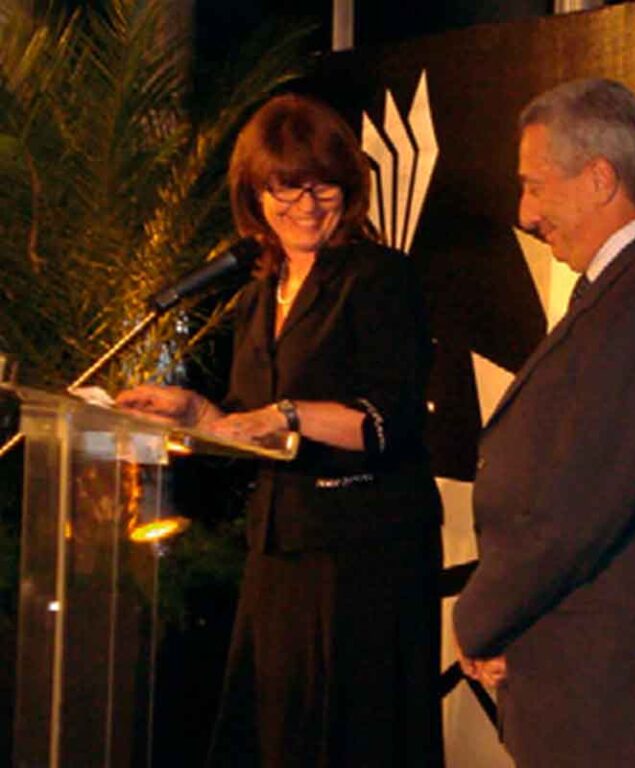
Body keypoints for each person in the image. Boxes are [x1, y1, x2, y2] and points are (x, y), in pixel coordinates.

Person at [117, 93, 443, 767]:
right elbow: (249, 421)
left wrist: (292, 414)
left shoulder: (378, 277)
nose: (305, 206)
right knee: (274, 738)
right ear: (255, 195)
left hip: (362, 556)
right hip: (279, 546)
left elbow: (388, 423)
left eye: (322, 186)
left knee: (349, 743)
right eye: (285, 189)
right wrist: (195, 414)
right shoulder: (260, 292)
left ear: (348, 186)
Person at [453, 78, 635, 767]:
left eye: (535, 187)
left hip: (607, 687)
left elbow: (575, 512)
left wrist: (479, 616)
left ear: (600, 179)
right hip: (584, 672)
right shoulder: (632, 287)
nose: (525, 213)